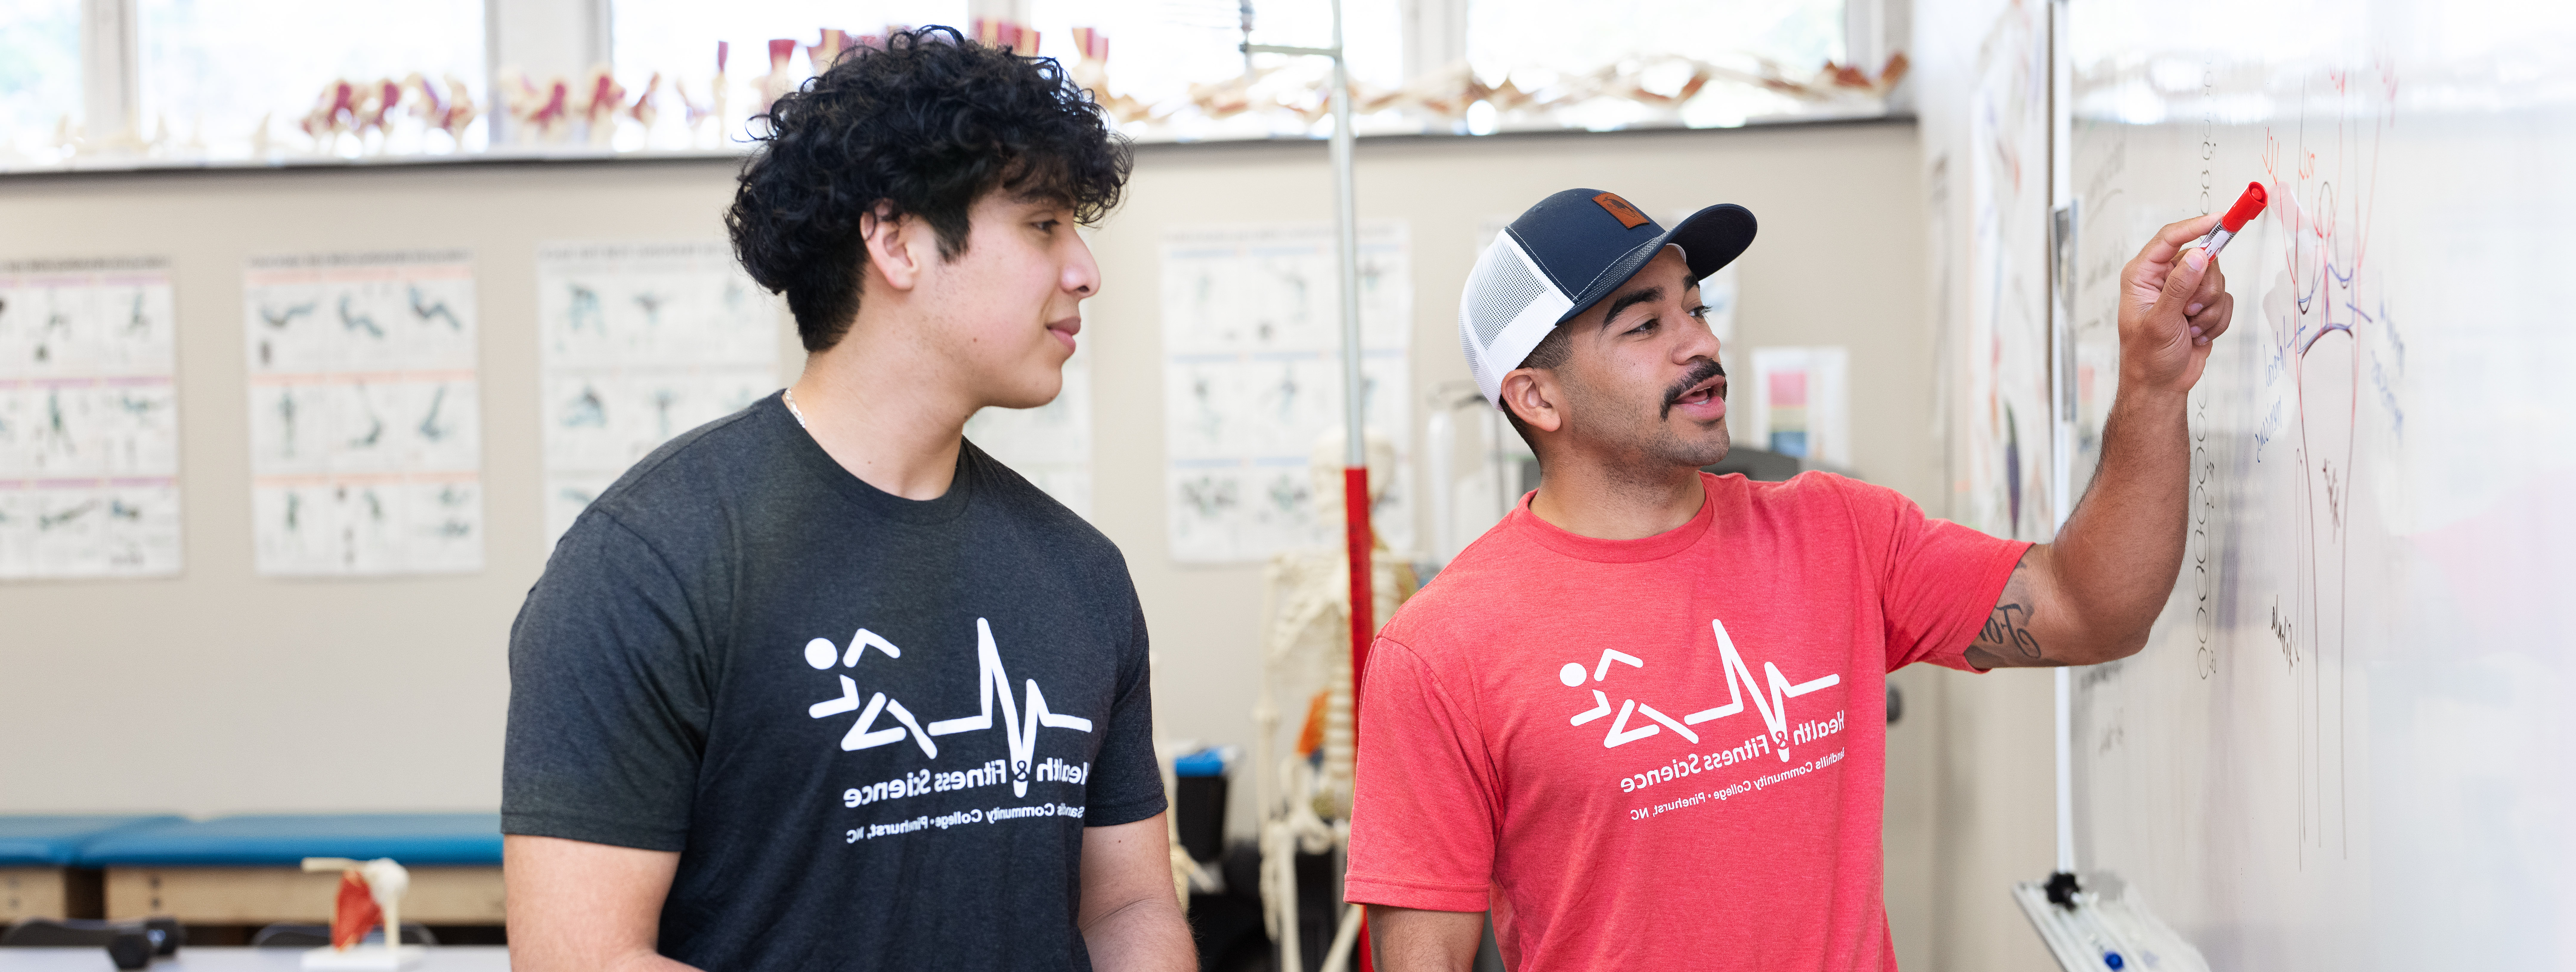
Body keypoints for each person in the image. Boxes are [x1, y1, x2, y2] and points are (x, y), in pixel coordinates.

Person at [1346, 188, 2235, 970]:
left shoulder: (1838, 532)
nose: (1699, 342)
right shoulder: (1440, 649)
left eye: (1694, 305)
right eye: (1647, 324)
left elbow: (2094, 611)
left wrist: (2152, 387)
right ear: (1538, 398)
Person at [500, 28, 1193, 971]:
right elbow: (579, 957)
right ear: (897, 239)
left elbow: (1129, 906)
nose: (1085, 270)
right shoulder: (652, 562)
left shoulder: (1080, 574)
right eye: (1042, 225)